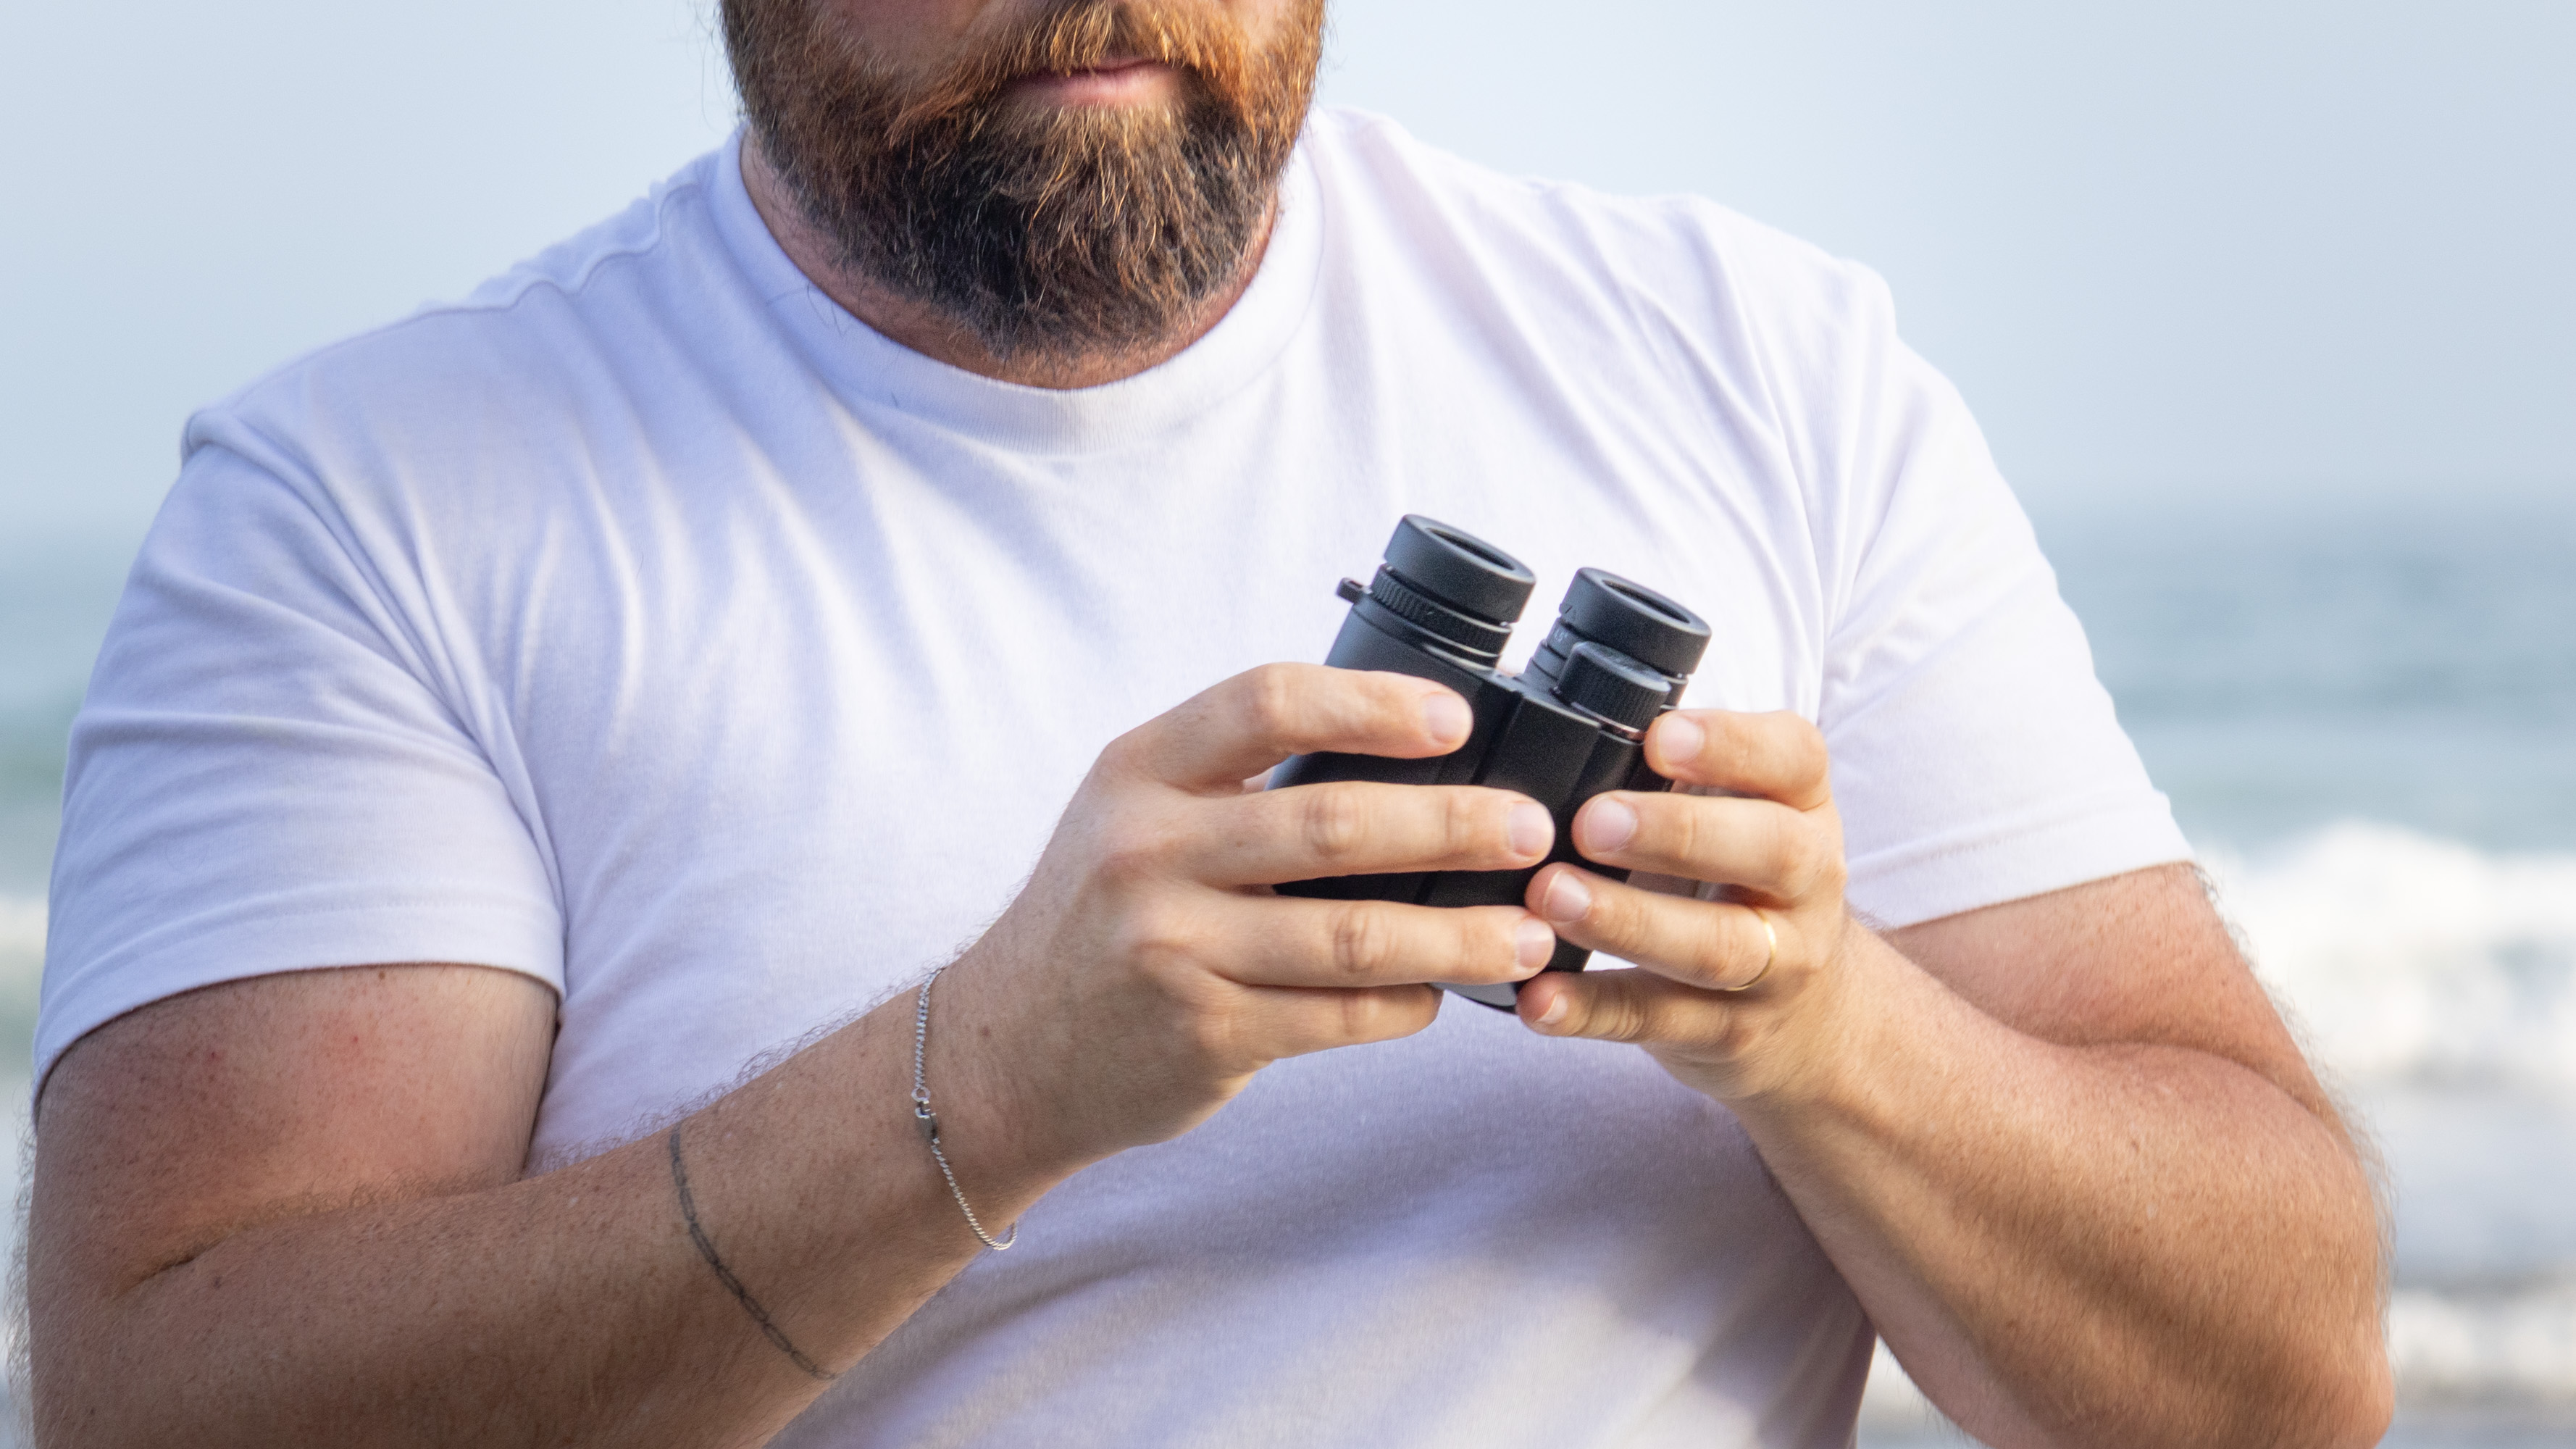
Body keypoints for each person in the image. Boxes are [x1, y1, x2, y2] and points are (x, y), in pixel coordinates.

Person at [25, 1, 2392, 1445]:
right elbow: (168, 1411)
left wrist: (1828, 1037)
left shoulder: (1760, 368)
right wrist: (988, 1085)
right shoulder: (375, 503)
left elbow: (2282, 1393)